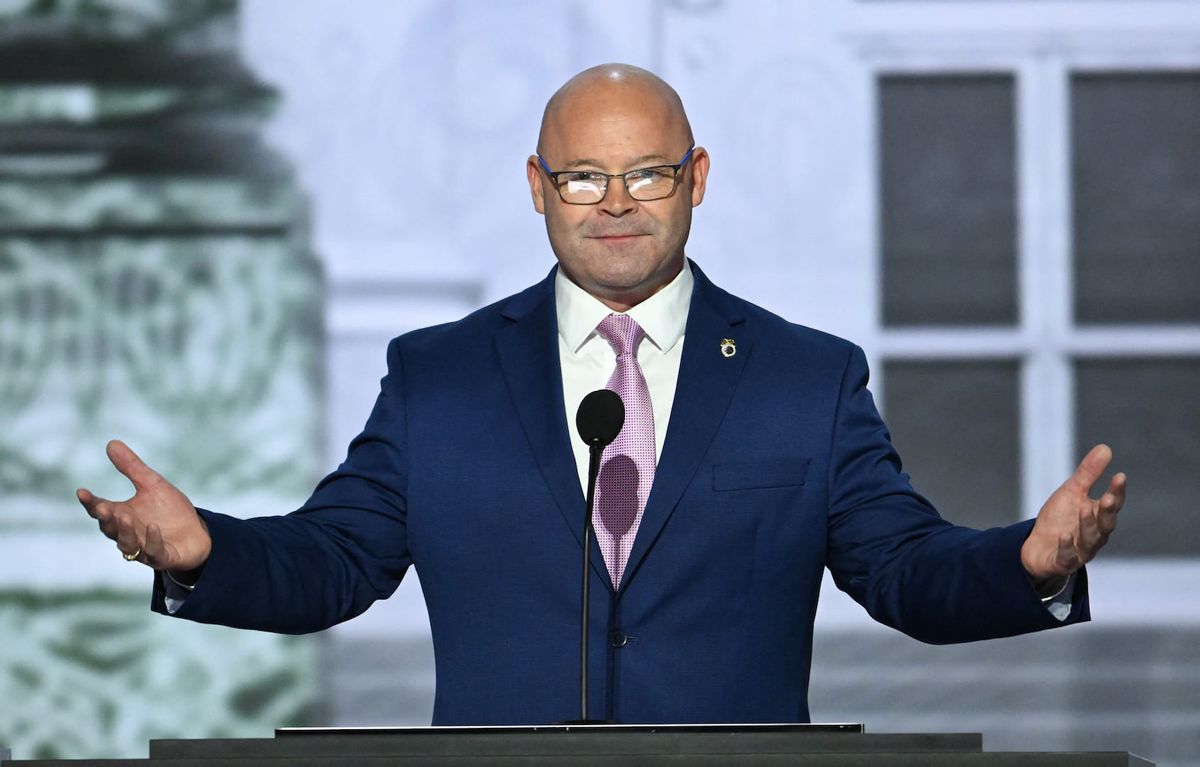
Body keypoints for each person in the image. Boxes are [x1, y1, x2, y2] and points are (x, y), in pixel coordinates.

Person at [77, 64, 1126, 725]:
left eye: (649, 174)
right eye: (582, 176)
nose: (615, 204)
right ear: (538, 186)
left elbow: (902, 570)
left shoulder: (806, 377)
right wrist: (203, 550)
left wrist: (1025, 562)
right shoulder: (438, 376)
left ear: (698, 178)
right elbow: (335, 561)